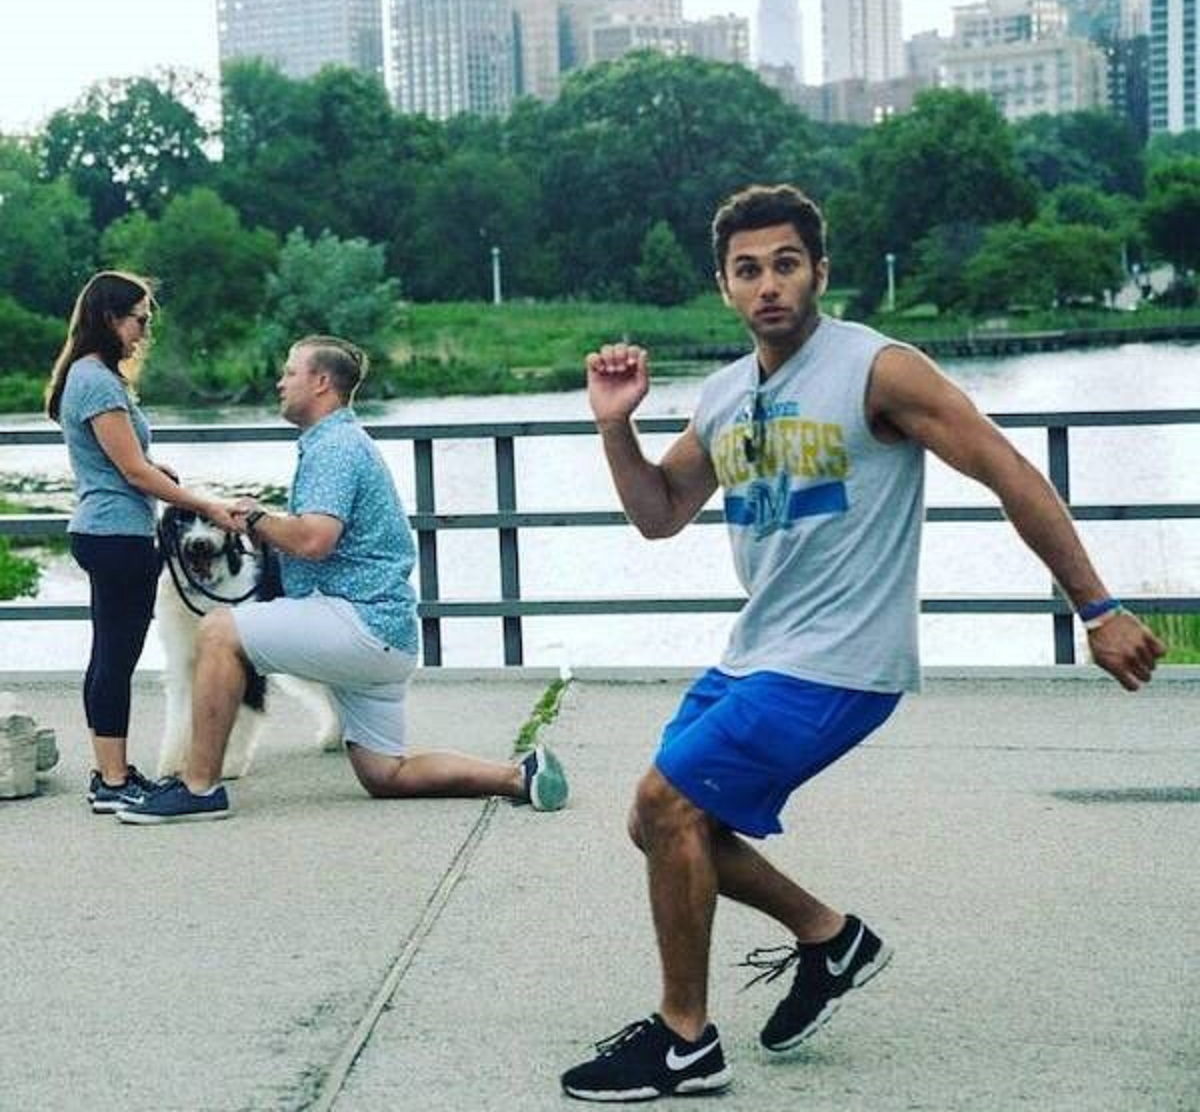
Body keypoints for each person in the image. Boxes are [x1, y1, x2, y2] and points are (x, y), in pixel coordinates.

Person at [560, 184, 1165, 1102]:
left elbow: (1008, 471)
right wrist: (616, 428)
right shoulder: (726, 396)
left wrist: (1097, 608)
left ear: (820, 272)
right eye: (748, 270)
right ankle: (829, 938)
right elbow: (659, 514)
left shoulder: (879, 371)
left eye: (786, 265)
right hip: (756, 652)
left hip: (842, 657)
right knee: (656, 825)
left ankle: (684, 1041)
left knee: (669, 800)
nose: (769, 286)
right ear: (724, 286)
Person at [118, 335, 568, 824]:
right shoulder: (344, 442)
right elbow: (317, 539)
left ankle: (197, 788)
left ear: (322, 382)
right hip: (387, 637)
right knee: (385, 774)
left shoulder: (333, 446)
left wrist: (252, 519)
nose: (280, 381)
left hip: (354, 622)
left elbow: (314, 540)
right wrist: (268, 525)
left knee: (219, 630)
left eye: (290, 372)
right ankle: (520, 775)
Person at [46, 270, 239, 814]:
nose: (143, 332)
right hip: (117, 533)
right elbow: (130, 473)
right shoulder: (99, 381)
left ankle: (110, 771)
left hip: (103, 527)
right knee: (116, 658)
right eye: (138, 320)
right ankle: (113, 779)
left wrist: (156, 469)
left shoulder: (86, 376)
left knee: (107, 655)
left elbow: (122, 462)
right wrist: (202, 503)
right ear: (109, 318)